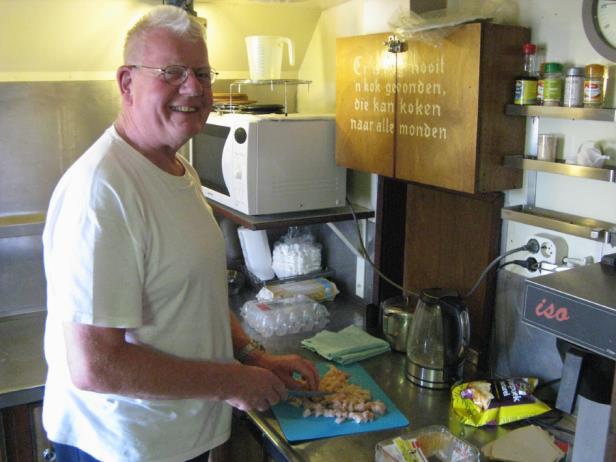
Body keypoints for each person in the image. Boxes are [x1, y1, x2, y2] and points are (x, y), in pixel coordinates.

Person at [41, 5, 319, 462]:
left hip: (176, 438)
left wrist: (252, 357)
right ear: (127, 83)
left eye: (202, 73)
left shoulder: (178, 168)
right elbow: (95, 365)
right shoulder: (101, 192)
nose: (193, 88)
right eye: (171, 72)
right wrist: (230, 381)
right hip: (120, 447)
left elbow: (195, 295)